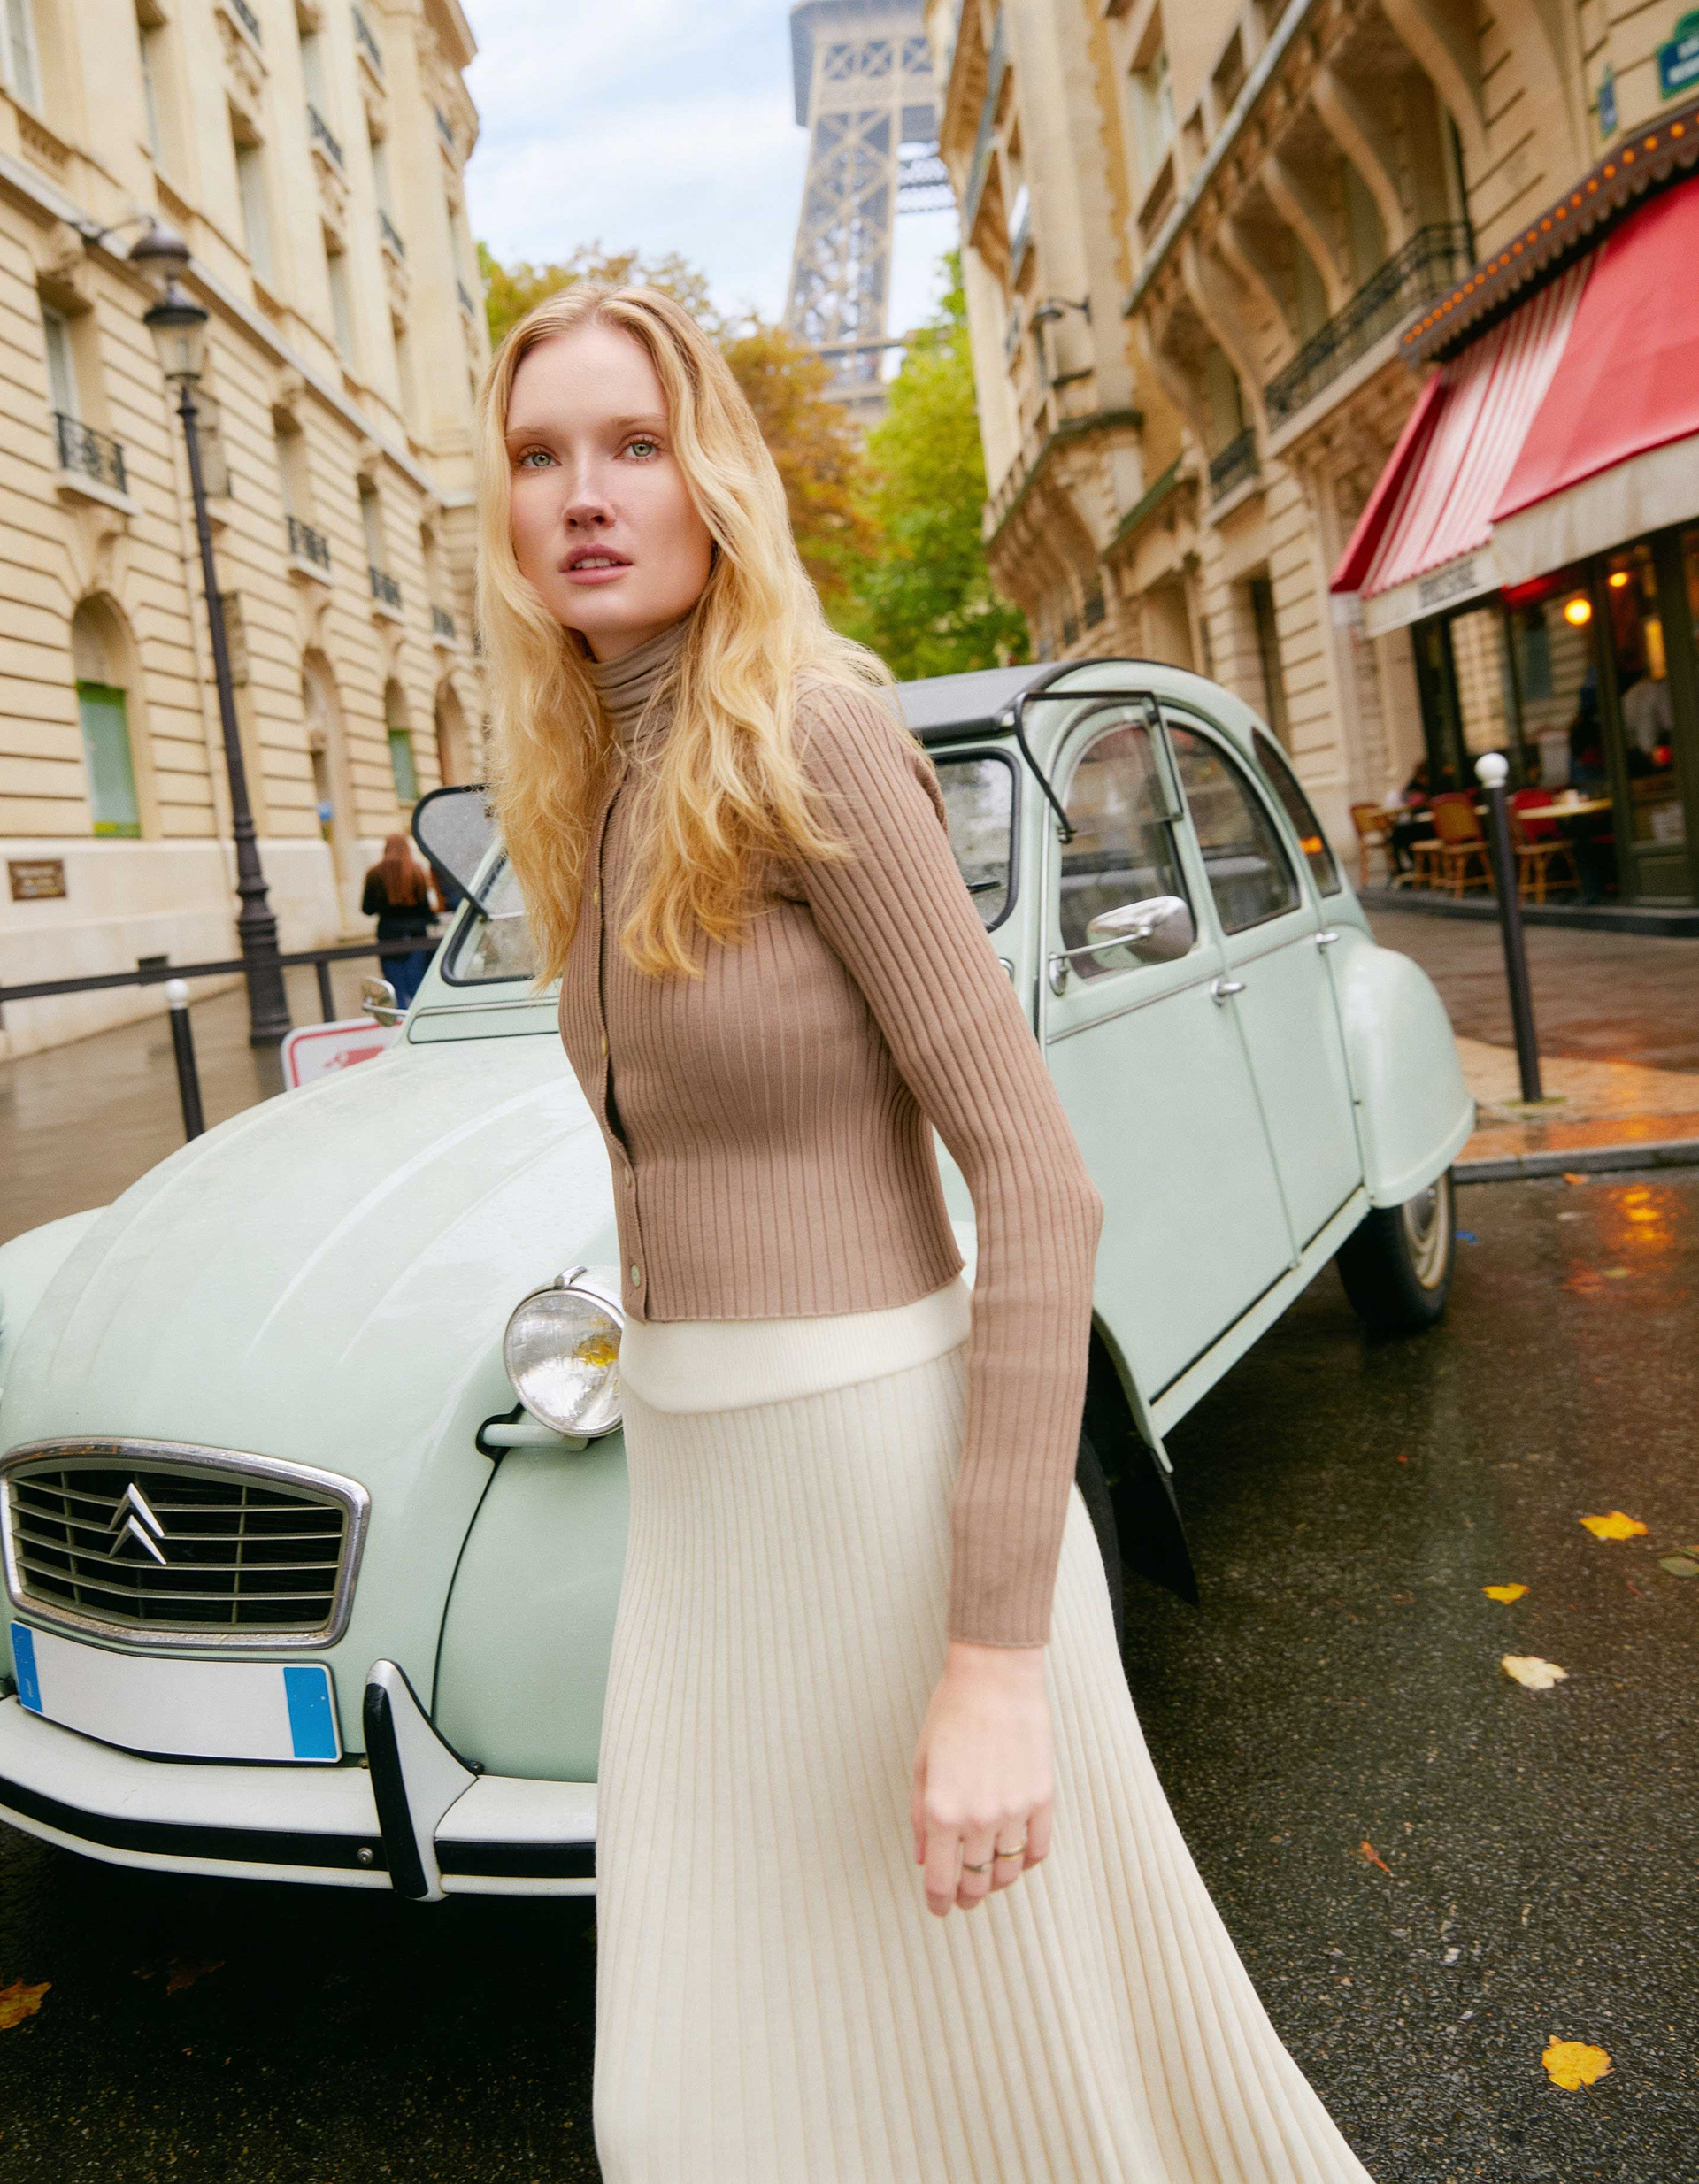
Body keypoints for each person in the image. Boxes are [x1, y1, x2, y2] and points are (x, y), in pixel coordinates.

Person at [475, 281, 1379, 2183]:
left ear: (712, 473)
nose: (585, 490)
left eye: (634, 443)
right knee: (692, 2107)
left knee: (1005, 2098)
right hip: (705, 1531)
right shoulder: (593, 776)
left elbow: (1039, 1179)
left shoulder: (814, 730)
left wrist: (993, 1656)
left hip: (886, 1522)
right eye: (540, 453)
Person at [360, 832, 439, 1008]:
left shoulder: (374, 873)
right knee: (418, 987)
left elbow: (367, 909)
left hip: (388, 937)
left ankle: (399, 1024)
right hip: (416, 937)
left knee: (394, 991)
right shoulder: (416, 871)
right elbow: (425, 910)